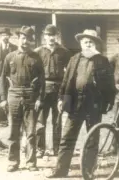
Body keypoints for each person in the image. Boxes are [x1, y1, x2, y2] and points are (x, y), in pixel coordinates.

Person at [46, 29, 115, 178]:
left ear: (95, 43)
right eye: (85, 41)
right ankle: (60, 171)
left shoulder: (102, 60)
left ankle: (88, 171)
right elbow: (66, 81)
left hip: (94, 105)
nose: (88, 44)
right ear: (81, 43)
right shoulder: (74, 59)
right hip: (75, 104)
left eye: (91, 41)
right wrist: (61, 99)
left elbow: (110, 84)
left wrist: (109, 101)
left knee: (92, 140)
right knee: (67, 138)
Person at [0, 26, 45, 172]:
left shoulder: (36, 58)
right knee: (13, 131)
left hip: (30, 96)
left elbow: (42, 81)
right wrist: (3, 98)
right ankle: (13, 161)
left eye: (28, 39)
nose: (25, 41)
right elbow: (2, 79)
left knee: (31, 131)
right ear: (19, 38)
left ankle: (31, 162)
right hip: (13, 95)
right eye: (23, 38)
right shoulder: (10, 57)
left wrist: (39, 98)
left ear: (32, 41)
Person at [35, 24, 71, 158]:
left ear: (57, 36)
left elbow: (69, 73)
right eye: (48, 35)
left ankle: (56, 148)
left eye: (53, 35)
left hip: (58, 89)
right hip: (43, 89)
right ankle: (40, 148)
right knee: (40, 120)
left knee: (57, 120)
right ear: (44, 36)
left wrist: (66, 93)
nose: (51, 38)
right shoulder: (38, 52)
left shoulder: (64, 52)